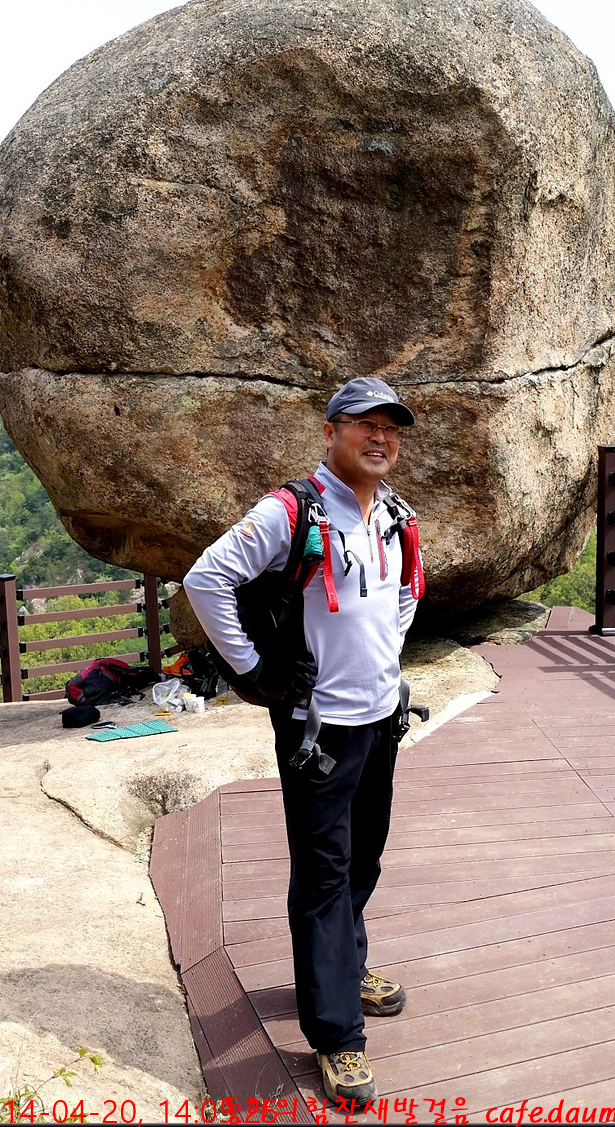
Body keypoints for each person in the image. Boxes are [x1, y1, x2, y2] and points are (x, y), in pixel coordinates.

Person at [183, 376, 423, 1107]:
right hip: (317, 728)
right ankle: (337, 1035)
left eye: (390, 427)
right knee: (323, 874)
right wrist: (254, 673)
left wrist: (384, 665)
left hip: (380, 718)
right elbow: (206, 578)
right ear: (330, 432)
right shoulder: (291, 511)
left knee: (364, 856)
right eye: (364, 424)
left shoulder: (396, 515)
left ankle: (343, 969)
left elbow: (407, 593)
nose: (379, 438)